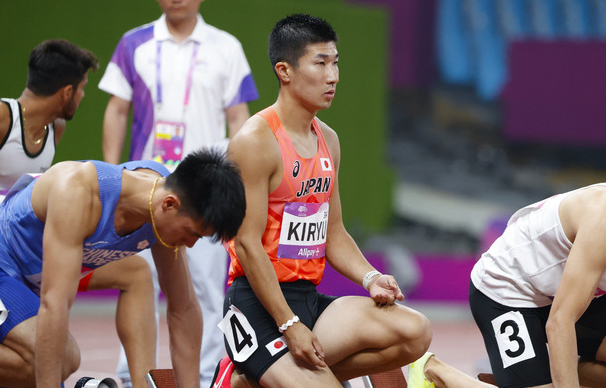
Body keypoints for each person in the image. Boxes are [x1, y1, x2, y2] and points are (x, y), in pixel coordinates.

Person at [210, 14, 494, 388]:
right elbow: (247, 245)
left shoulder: (329, 139)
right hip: (257, 306)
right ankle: (254, 372)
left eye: (336, 62)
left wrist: (371, 277)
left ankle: (254, 382)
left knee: (414, 331)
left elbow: (335, 233)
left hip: (309, 300)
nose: (333, 77)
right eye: (320, 63)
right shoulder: (255, 141)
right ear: (285, 71)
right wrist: (289, 325)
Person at [0, 39, 159, 388]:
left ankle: (143, 384)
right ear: (67, 92)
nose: (83, 98)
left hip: (30, 248)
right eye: (83, 90)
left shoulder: (55, 129)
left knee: (137, 273)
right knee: (51, 356)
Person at [0, 148, 246, 388]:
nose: (191, 245)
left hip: (35, 272)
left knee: (136, 273)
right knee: (63, 358)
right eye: (193, 234)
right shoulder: (78, 192)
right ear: (169, 205)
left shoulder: (165, 199)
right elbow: (55, 303)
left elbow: (183, 308)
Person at [98, 1, 259, 385]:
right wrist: (112, 173)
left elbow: (239, 119)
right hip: (148, 189)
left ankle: (202, 377)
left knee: (201, 288)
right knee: (138, 282)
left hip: (203, 195)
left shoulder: (226, 47)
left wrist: (232, 187)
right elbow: (117, 110)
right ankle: (130, 374)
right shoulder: (133, 43)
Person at [470, 182, 606, 387]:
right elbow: (560, 321)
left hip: (567, 289)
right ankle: (439, 371)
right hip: (509, 290)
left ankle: (528, 373)